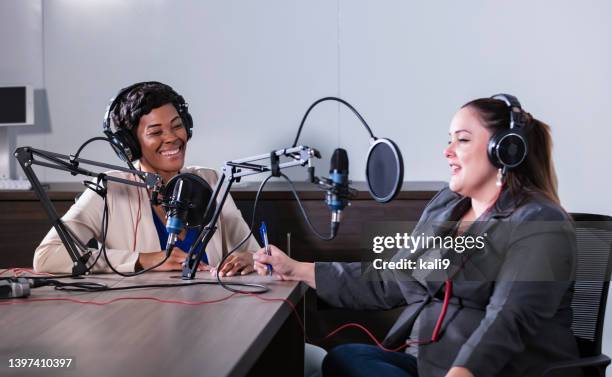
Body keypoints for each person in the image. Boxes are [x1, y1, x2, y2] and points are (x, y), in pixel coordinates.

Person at [253, 95, 579, 377]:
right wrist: (295, 268)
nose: (447, 151)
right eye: (449, 139)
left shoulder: (539, 223)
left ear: (504, 151)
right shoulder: (447, 207)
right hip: (427, 365)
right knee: (345, 358)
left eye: (462, 140)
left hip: (494, 370)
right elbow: (391, 280)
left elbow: (509, 319)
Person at [33, 81, 259, 275]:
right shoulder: (109, 189)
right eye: (156, 132)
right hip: (143, 315)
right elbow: (47, 256)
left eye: (177, 126)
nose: (171, 138)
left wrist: (249, 259)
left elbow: (255, 251)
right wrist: (143, 260)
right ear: (129, 144)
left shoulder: (210, 181)